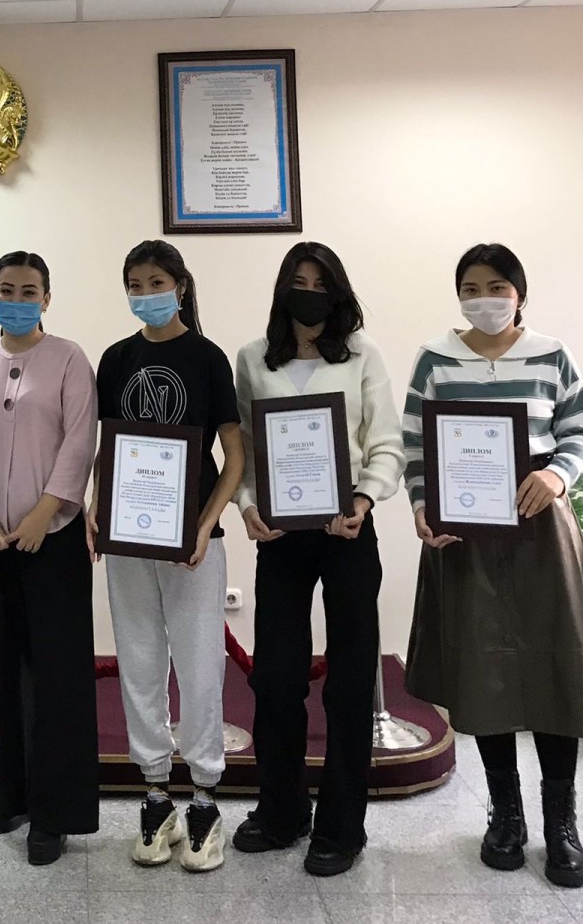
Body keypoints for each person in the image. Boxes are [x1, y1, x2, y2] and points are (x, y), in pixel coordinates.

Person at [404, 243, 583, 889]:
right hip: (465, 533)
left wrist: (558, 477)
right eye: (471, 288)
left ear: (520, 294)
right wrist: (423, 506)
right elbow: (415, 443)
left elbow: (579, 432)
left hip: (540, 528)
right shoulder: (435, 359)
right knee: (482, 671)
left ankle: (561, 822)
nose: (484, 299)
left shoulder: (551, 354)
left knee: (556, 665)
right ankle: (505, 814)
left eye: (497, 287)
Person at [230, 242, 404, 877]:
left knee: (350, 682)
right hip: (281, 536)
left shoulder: (363, 354)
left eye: (319, 282)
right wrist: (248, 505)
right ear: (282, 289)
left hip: (348, 530)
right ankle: (281, 811)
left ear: (337, 291)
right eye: (297, 281)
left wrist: (362, 498)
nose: (308, 292)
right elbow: (244, 450)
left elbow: (385, 442)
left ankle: (341, 826)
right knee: (276, 679)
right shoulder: (253, 358)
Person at [87, 239, 243, 873]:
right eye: (135, 284)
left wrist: (205, 525)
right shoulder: (115, 358)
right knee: (139, 662)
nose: (146, 293)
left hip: (193, 544)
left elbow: (235, 456)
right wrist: (96, 508)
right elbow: (107, 446)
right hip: (128, 537)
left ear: (179, 286)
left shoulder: (207, 358)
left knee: (201, 667)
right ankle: (155, 794)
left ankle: (205, 798)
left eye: (156, 282)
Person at [0, 251, 99, 865]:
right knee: (6, 664)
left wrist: (44, 514)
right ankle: (13, 793)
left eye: (28, 291)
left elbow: (80, 440)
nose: (16, 299)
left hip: (52, 538)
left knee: (57, 673)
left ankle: (55, 813)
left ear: (46, 299)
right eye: (6, 289)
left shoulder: (68, 358)